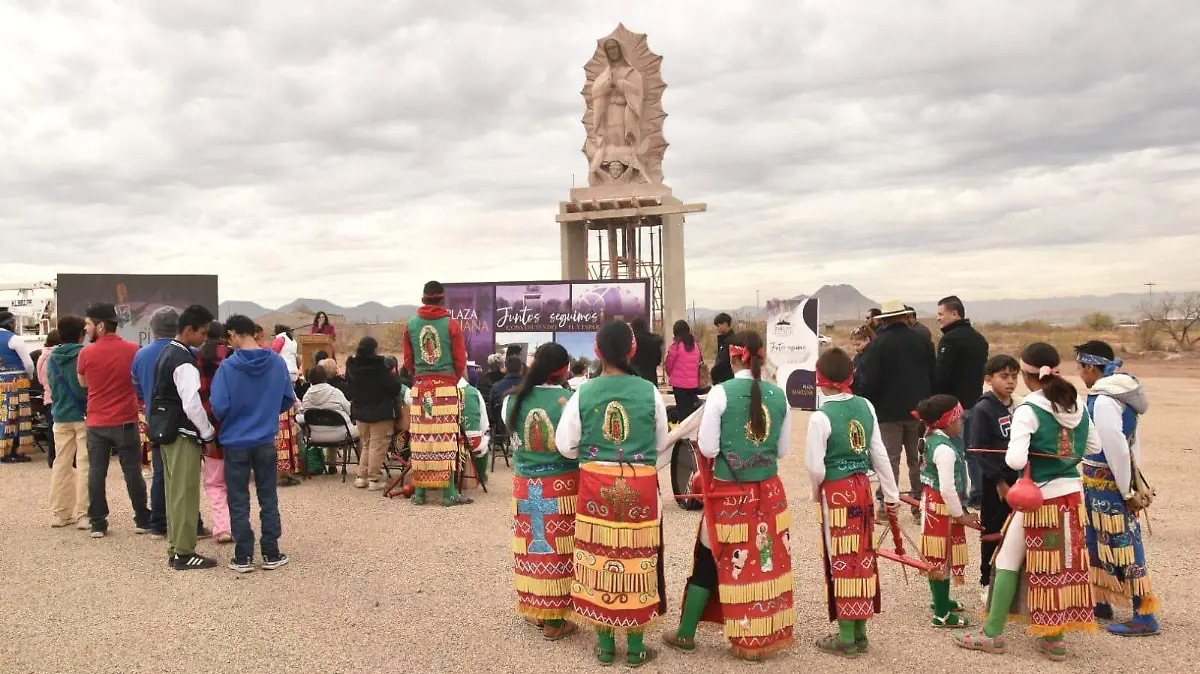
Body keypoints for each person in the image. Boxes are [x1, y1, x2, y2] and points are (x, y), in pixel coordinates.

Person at [954, 342, 1099, 661]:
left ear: (1029, 374)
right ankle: (1054, 638)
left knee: (1006, 559)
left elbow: (1017, 460)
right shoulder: (1077, 403)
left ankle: (992, 634)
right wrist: (1063, 454)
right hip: (1071, 495)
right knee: (1059, 564)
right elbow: (1092, 446)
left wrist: (1035, 451)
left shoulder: (1029, 408)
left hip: (1038, 497)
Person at [664, 331, 795, 661]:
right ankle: (759, 635)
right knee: (765, 561)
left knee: (712, 556)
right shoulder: (779, 395)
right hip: (767, 492)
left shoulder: (721, 394)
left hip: (729, 493)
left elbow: (708, 447)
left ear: (735, 358)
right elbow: (781, 450)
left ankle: (686, 634)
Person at [555, 320, 669, 668]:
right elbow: (661, 443)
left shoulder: (583, 394)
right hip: (640, 488)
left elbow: (565, 446)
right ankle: (635, 647)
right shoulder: (650, 391)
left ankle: (605, 645)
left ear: (597, 352)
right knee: (638, 559)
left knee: (599, 557)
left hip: (595, 489)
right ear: (632, 350)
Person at [799, 347, 900, 656]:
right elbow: (878, 452)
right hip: (862, 489)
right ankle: (860, 631)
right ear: (849, 376)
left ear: (820, 380)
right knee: (863, 556)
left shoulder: (821, 417)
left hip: (836, 491)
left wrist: (818, 494)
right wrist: (892, 494)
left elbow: (815, 467)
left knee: (839, 556)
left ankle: (845, 636)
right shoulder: (866, 406)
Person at [1075, 340, 1159, 636]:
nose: (1079, 374)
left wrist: (1125, 490)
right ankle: (1101, 601)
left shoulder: (1104, 399)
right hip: (1101, 485)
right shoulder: (1116, 396)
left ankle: (1145, 615)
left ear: (1089, 366)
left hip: (1108, 487)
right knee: (1096, 543)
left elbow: (1118, 449)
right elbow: (1131, 444)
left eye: (1080, 367)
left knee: (1124, 545)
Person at [503, 343, 578, 640]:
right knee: (558, 551)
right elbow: (572, 447)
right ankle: (555, 621)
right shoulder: (569, 401)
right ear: (562, 370)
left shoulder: (513, 400)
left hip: (525, 486)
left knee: (533, 549)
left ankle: (536, 609)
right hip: (561, 487)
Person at [211, 314, 296, 573]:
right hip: (264, 440)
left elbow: (219, 406)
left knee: (238, 499)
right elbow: (287, 398)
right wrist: (266, 413)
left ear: (236, 334)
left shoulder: (227, 367)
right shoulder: (277, 363)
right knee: (268, 496)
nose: (228, 342)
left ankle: (243, 555)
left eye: (229, 337)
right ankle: (271, 551)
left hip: (235, 441)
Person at [152, 305, 220, 570]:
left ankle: (176, 546)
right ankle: (183, 552)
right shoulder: (184, 360)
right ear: (189, 329)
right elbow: (192, 404)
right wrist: (207, 434)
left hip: (166, 432)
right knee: (185, 493)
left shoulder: (167, 352)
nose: (205, 337)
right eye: (202, 332)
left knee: (174, 493)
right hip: (183, 434)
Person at [857, 300, 935, 519]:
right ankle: (919, 503)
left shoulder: (879, 344)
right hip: (919, 411)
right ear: (904, 317)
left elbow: (869, 380)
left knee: (889, 459)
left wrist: (867, 402)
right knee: (917, 458)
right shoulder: (923, 340)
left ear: (885, 320)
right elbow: (933, 374)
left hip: (887, 413)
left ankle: (886, 505)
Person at [133, 307, 207, 539]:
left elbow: (137, 387)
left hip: (156, 419)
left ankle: (158, 524)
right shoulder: (188, 353)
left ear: (152, 329)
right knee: (185, 480)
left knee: (160, 473)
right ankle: (191, 527)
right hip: (183, 424)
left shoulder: (142, 354)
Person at [77, 303, 150, 538]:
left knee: (96, 473)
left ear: (100, 325)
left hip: (97, 422)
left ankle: (98, 522)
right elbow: (138, 380)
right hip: (126, 420)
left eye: (88, 323)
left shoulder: (86, 353)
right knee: (132, 471)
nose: (86, 328)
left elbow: (83, 383)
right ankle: (141, 518)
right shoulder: (134, 349)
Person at [402, 280, 472, 507]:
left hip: (421, 389)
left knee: (422, 440)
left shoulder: (411, 324)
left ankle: (420, 493)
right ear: (442, 299)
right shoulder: (451, 324)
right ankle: (448, 493)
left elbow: (409, 360)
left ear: (423, 299)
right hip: (446, 389)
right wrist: (452, 378)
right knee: (447, 439)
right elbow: (460, 359)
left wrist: (421, 376)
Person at [915, 394, 976, 628]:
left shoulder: (930, 438)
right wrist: (961, 514)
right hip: (943, 509)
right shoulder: (945, 450)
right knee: (943, 558)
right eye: (959, 419)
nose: (961, 424)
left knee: (936, 555)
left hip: (932, 504)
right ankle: (942, 614)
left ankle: (940, 599)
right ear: (948, 421)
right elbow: (948, 488)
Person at [969, 355, 1020, 597]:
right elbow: (979, 451)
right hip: (994, 483)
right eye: (1004, 376)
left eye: (1014, 376)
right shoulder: (983, 409)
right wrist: (999, 482)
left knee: (1017, 529)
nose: (1011, 382)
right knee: (993, 529)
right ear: (989, 379)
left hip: (1019, 479)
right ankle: (986, 581)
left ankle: (1014, 580)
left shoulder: (1020, 405)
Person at [935, 295, 991, 509]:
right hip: (974, 402)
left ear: (955, 314)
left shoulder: (950, 341)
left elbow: (942, 376)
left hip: (954, 407)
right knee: (973, 453)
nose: (939, 319)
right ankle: (979, 495)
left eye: (941, 314)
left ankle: (961, 497)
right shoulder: (979, 338)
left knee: (957, 453)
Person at [46, 317, 90, 529]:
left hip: (60, 415)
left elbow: (52, 386)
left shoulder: (52, 357)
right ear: (81, 334)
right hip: (83, 415)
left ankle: (61, 513)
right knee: (85, 463)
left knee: (61, 463)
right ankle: (84, 514)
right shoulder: (84, 354)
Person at [346, 337, 402, 491]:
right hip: (380, 412)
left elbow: (349, 390)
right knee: (378, 446)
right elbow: (394, 387)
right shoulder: (381, 367)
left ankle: (361, 477)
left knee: (367, 444)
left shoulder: (352, 366)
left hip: (360, 412)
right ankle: (374, 478)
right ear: (375, 349)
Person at [195, 321, 232, 544]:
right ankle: (238, 523)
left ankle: (223, 527)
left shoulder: (198, 358)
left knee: (215, 481)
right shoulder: (233, 355)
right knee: (235, 480)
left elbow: (198, 394)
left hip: (211, 428)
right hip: (236, 427)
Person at [0, 310, 35, 463]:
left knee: (3, 416)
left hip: (1, 383)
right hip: (17, 383)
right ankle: (12, 451)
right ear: (9, 323)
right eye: (14, 322)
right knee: (17, 416)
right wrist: (30, 377)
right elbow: (28, 364)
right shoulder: (14, 339)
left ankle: (3, 449)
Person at [271, 326, 301, 486]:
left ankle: (282, 471)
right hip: (292, 376)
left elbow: (273, 353)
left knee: (281, 429)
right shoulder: (293, 341)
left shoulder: (280, 339)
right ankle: (288, 469)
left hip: (281, 376)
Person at [300, 365, 356, 446]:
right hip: (342, 434)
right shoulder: (336, 393)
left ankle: (331, 459)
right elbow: (349, 411)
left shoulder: (306, 397)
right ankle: (362, 458)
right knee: (362, 432)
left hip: (316, 436)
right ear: (326, 377)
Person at [665, 320, 702, 418]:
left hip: (679, 385)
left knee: (681, 410)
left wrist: (671, 375)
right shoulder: (696, 346)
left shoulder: (676, 346)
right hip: (693, 385)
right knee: (690, 410)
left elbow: (669, 365)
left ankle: (683, 431)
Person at [37, 329, 62, 467]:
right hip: (61, 397)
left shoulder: (42, 356)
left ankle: (52, 458)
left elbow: (40, 379)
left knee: (52, 429)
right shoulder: (60, 354)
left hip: (48, 397)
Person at [459, 374, 489, 486]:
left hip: (446, 443)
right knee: (483, 442)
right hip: (472, 443)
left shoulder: (441, 391)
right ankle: (480, 475)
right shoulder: (474, 392)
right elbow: (484, 424)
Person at [489, 356, 524, 426]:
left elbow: (491, 411)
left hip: (501, 430)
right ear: (522, 368)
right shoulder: (530, 387)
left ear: (506, 369)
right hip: (523, 428)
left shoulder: (496, 387)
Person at [628, 317, 664, 385]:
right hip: (651, 378)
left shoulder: (633, 343)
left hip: (636, 378)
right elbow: (658, 360)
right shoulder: (655, 341)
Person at [848, 324, 873, 396]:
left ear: (867, 340)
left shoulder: (872, 356)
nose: (856, 348)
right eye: (854, 345)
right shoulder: (858, 357)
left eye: (858, 344)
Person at [710, 312, 734, 385]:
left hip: (726, 379)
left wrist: (713, 373)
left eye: (718, 326)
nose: (717, 329)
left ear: (725, 324)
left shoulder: (730, 341)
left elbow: (723, 361)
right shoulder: (724, 340)